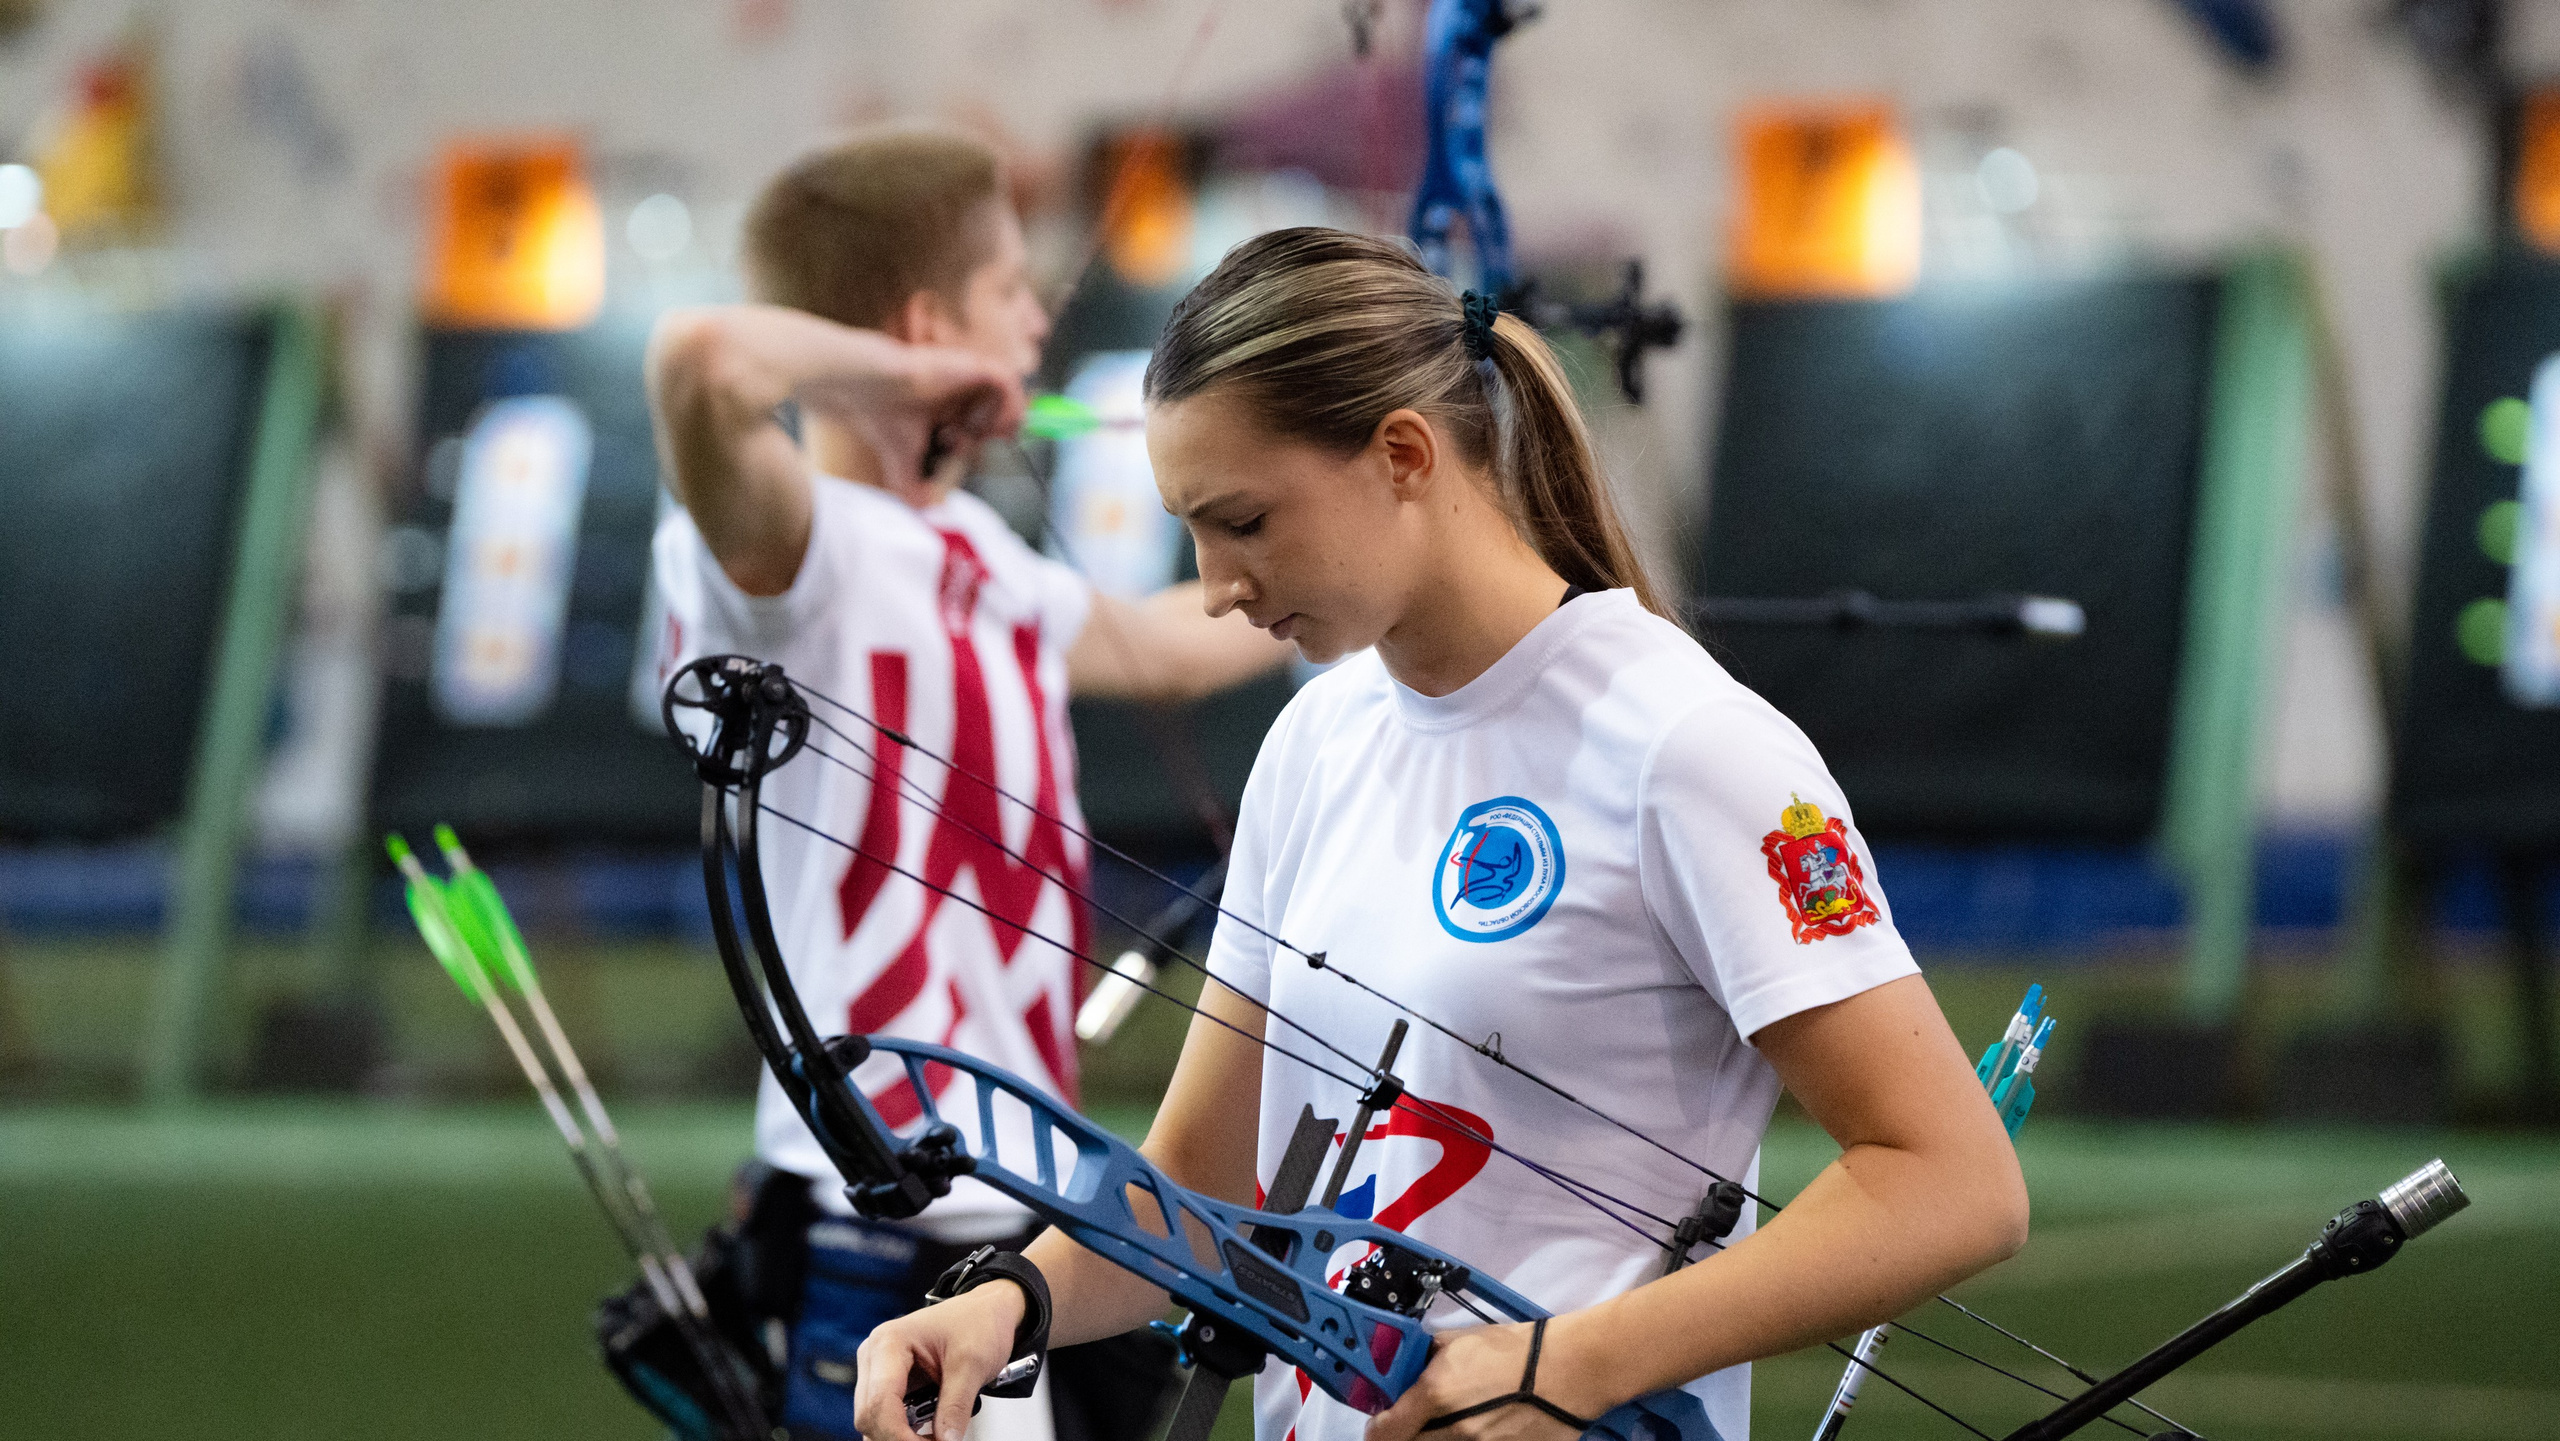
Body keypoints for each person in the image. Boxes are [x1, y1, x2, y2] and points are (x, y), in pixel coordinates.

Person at [848, 228, 2030, 1441]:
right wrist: (1010, 1300)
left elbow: (1950, 1179)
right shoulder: (1316, 741)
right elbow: (1202, 1173)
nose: (1215, 586)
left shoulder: (1689, 744)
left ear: (1403, 454)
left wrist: (1569, 1364)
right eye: (1193, 531)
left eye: (1243, 519)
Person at [644, 125, 1288, 1441]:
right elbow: (700, 360)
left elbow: (1167, 646)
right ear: (927, 325)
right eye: (1007, 293)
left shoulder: (970, 547)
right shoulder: (796, 557)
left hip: (1019, 1191)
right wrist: (920, 380)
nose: (1034, 325)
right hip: (881, 1204)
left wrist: (1349, 564)